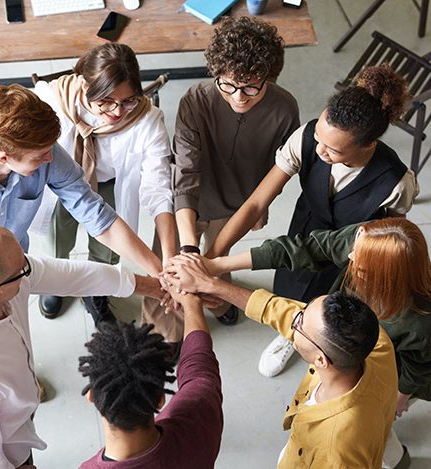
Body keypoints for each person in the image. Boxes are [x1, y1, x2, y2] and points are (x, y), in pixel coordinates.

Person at [207, 64, 418, 376]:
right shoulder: (306, 139)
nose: (319, 151)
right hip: (305, 228)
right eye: (318, 137)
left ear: (368, 145)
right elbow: (255, 203)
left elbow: (388, 237)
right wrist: (213, 256)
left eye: (332, 149)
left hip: (350, 255)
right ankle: (290, 333)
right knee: (291, 284)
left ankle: (314, 341)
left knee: (332, 309)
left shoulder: (397, 182)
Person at [0, 224, 165, 469]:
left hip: (10, 410)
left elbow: (69, 275)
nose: (29, 269)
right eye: (22, 269)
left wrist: (151, 287)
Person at [163, 257, 399, 468]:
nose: (292, 320)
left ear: (321, 360)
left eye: (299, 324)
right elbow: (280, 311)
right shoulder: (375, 343)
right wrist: (211, 285)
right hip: (377, 424)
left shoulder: (335, 453)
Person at [0, 83, 163, 289]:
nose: (50, 159)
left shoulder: (44, 150)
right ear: (4, 158)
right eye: (40, 156)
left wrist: (159, 272)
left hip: (14, 271)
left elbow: (96, 215)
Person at [170, 16, 300, 339]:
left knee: (218, 264)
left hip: (238, 205)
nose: (239, 96)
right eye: (227, 85)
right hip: (191, 203)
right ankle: (168, 330)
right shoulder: (195, 102)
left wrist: (207, 264)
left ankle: (219, 304)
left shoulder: (285, 110)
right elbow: (185, 176)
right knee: (173, 266)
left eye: (251, 87)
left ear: (269, 77)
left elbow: (276, 173)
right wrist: (189, 251)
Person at [32, 43, 175, 324]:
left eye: (128, 100)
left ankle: (97, 290)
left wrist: (167, 259)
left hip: (109, 183)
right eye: (106, 101)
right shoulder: (52, 97)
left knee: (108, 249)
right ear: (85, 85)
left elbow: (158, 186)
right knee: (57, 239)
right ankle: (56, 282)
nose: (118, 112)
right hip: (60, 183)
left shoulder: (147, 119)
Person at [78, 283, 223, 467]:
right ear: (160, 400)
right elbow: (199, 366)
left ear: (91, 396)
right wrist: (191, 303)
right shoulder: (200, 411)